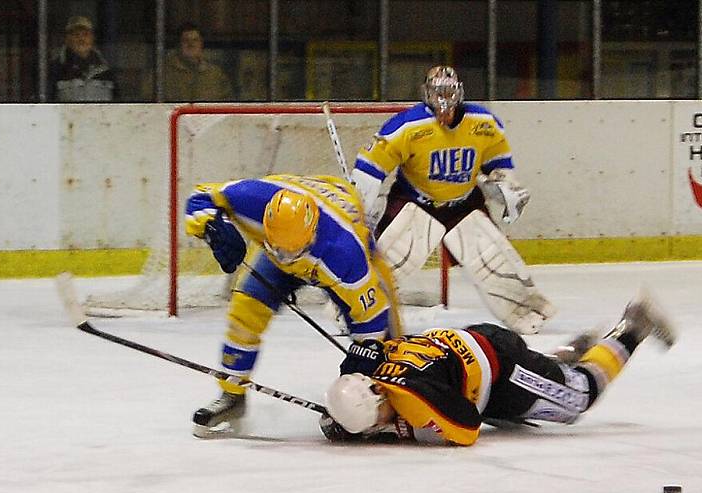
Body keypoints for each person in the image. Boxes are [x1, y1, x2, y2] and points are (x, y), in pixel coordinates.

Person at [184, 174, 402, 438]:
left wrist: (365, 360)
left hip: (340, 234)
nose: (285, 260)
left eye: (292, 255)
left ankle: (385, 407)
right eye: (279, 250)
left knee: (386, 341)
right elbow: (200, 196)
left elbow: (372, 316)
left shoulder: (345, 254)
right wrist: (213, 228)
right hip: (290, 237)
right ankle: (232, 396)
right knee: (247, 307)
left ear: (311, 236)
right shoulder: (251, 199)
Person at [320, 290, 676, 446]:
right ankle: (561, 360)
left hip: (502, 368)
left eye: (373, 426)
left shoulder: (420, 396)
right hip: (467, 353)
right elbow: (355, 356)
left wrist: (396, 432)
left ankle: (633, 326)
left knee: (579, 398)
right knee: (517, 415)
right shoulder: (361, 366)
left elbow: (466, 428)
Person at [350, 65, 553, 335]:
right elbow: (369, 169)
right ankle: (353, 308)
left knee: (492, 259)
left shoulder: (483, 124)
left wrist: (505, 188)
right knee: (390, 260)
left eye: (449, 92)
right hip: (414, 201)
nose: (444, 102)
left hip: (464, 203)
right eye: (438, 93)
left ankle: (526, 311)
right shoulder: (407, 126)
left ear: (459, 93)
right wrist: (358, 209)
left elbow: (498, 166)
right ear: (427, 95)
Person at [142, 22, 232, 102]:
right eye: (185, 40)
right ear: (178, 45)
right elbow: (148, 103)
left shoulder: (216, 74)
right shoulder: (162, 74)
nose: (191, 44)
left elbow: (227, 103)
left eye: (195, 40)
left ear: (201, 43)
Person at [48, 16, 116, 102]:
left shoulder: (106, 70)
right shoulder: (56, 69)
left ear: (92, 38)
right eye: (76, 35)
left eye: (86, 34)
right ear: (67, 39)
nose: (81, 39)